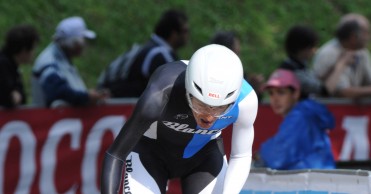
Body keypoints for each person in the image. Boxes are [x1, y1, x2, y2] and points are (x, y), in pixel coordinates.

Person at [100, 44, 258, 194]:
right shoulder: (162, 91)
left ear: (233, 100)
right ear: (188, 91)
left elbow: (241, 155)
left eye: (220, 108)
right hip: (150, 155)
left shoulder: (246, 101)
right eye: (201, 105)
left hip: (204, 157)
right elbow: (116, 154)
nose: (209, 116)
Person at [99, 9, 189, 98]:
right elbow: (175, 89)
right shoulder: (160, 55)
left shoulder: (149, 48)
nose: (188, 35)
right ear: (174, 34)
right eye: (185, 31)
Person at [256, 69, 336, 170]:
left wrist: (260, 154)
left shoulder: (299, 116)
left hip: (311, 181)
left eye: (281, 92)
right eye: (271, 93)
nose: (275, 99)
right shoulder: (306, 113)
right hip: (317, 179)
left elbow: (279, 156)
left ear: (295, 94)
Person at [31, 16, 109, 107]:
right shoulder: (49, 62)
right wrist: (86, 97)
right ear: (71, 43)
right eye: (82, 41)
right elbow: (58, 91)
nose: (84, 45)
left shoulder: (63, 59)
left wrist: (92, 95)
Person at [313, 13, 371, 98]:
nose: (368, 37)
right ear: (353, 37)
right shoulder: (328, 54)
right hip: (328, 109)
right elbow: (343, 93)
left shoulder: (362, 52)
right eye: (366, 33)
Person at [210, 30, 265, 101]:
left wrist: (253, 90)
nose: (238, 59)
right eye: (237, 53)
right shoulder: (207, 79)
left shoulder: (242, 78)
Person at [279, 25, 327, 99]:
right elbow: (323, 90)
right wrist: (341, 64)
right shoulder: (293, 73)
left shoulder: (298, 65)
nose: (314, 51)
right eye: (312, 47)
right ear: (303, 48)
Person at [0, 24, 39, 108]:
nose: (34, 53)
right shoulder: (3, 66)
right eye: (33, 48)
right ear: (24, 49)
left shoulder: (12, 66)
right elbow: (9, 98)